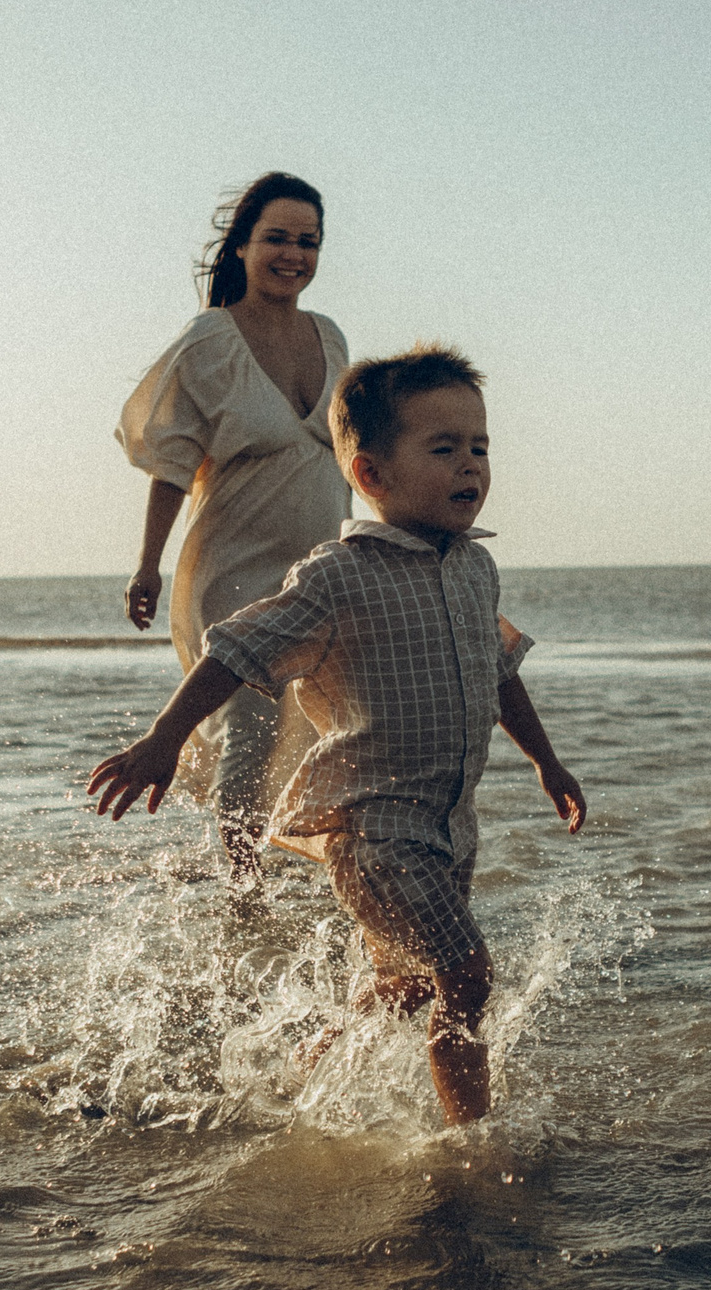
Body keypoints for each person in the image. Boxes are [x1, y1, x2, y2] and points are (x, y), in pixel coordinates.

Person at [89, 346, 586, 1125]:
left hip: (449, 826)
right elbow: (235, 647)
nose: (471, 466)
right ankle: (472, 1142)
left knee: (407, 985)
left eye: (480, 447)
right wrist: (163, 738)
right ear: (370, 475)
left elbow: (498, 671)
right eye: (444, 448)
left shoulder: (474, 570)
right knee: (468, 974)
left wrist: (547, 762)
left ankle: (298, 1077)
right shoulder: (340, 575)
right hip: (375, 832)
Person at [116, 172, 348, 895]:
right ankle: (243, 896)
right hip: (235, 565)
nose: (293, 253)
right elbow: (172, 460)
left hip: (321, 561)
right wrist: (148, 564)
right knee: (248, 728)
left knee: (328, 721)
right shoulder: (210, 339)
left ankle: (322, 878)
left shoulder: (332, 336)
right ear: (242, 245)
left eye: (307, 240)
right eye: (277, 237)